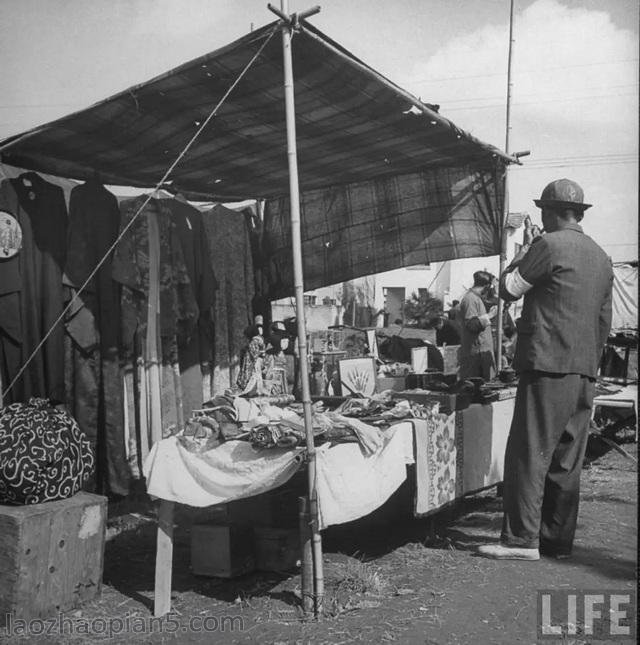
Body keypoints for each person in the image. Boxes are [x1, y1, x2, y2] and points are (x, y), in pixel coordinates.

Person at [478, 178, 613, 561]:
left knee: (529, 451)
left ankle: (520, 540)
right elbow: (604, 319)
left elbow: (509, 289)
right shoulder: (601, 256)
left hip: (547, 363)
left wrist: (522, 252)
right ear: (579, 213)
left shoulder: (548, 245)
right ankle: (556, 542)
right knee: (567, 459)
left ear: (549, 213)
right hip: (585, 368)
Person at [457, 271, 498, 380]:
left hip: (481, 356)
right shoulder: (470, 299)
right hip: (476, 358)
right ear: (487, 286)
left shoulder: (476, 299)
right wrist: (490, 315)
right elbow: (472, 325)